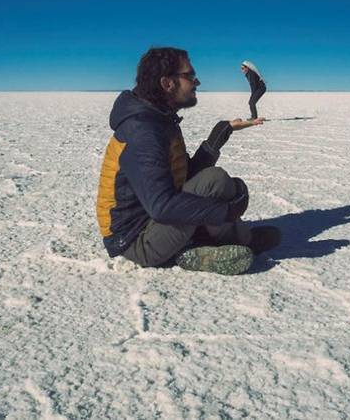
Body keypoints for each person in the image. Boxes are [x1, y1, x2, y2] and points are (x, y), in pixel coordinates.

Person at [96, 47, 281, 275]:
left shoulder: (157, 119)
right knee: (216, 181)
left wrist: (220, 133)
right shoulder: (144, 131)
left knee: (214, 181)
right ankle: (202, 247)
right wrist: (227, 211)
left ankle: (210, 240)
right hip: (136, 241)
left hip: (150, 224)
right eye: (190, 76)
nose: (198, 82)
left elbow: (184, 178)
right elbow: (162, 207)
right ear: (167, 83)